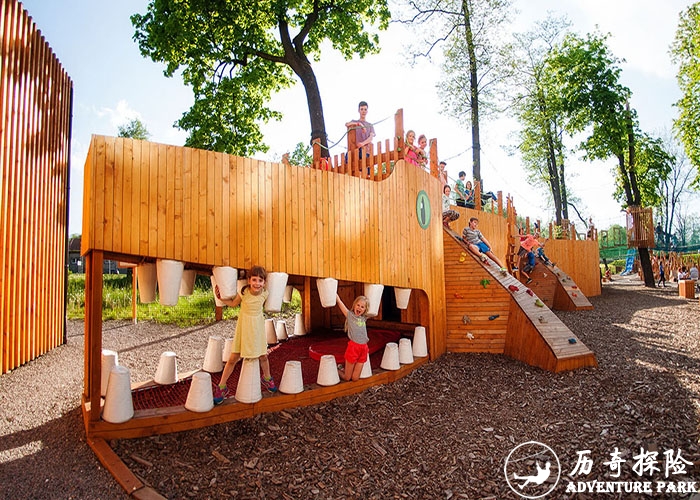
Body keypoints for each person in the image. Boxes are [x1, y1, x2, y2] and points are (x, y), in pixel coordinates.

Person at [213, 265, 277, 404]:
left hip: (257, 328)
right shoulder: (244, 292)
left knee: (263, 356)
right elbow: (233, 303)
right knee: (233, 358)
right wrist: (221, 298)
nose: (257, 283)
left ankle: (267, 378)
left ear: (264, 282)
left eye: (260, 280)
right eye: (254, 280)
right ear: (249, 280)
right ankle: (222, 386)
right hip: (244, 327)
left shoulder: (265, 293)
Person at [335, 293, 370, 382]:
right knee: (347, 378)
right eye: (358, 305)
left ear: (365, 310)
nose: (359, 308)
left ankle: (343, 368)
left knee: (355, 378)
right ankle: (336, 370)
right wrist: (334, 293)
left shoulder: (364, 318)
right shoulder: (350, 315)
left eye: (362, 307)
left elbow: (373, 310)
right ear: (354, 305)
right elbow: (339, 302)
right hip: (353, 348)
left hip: (364, 348)